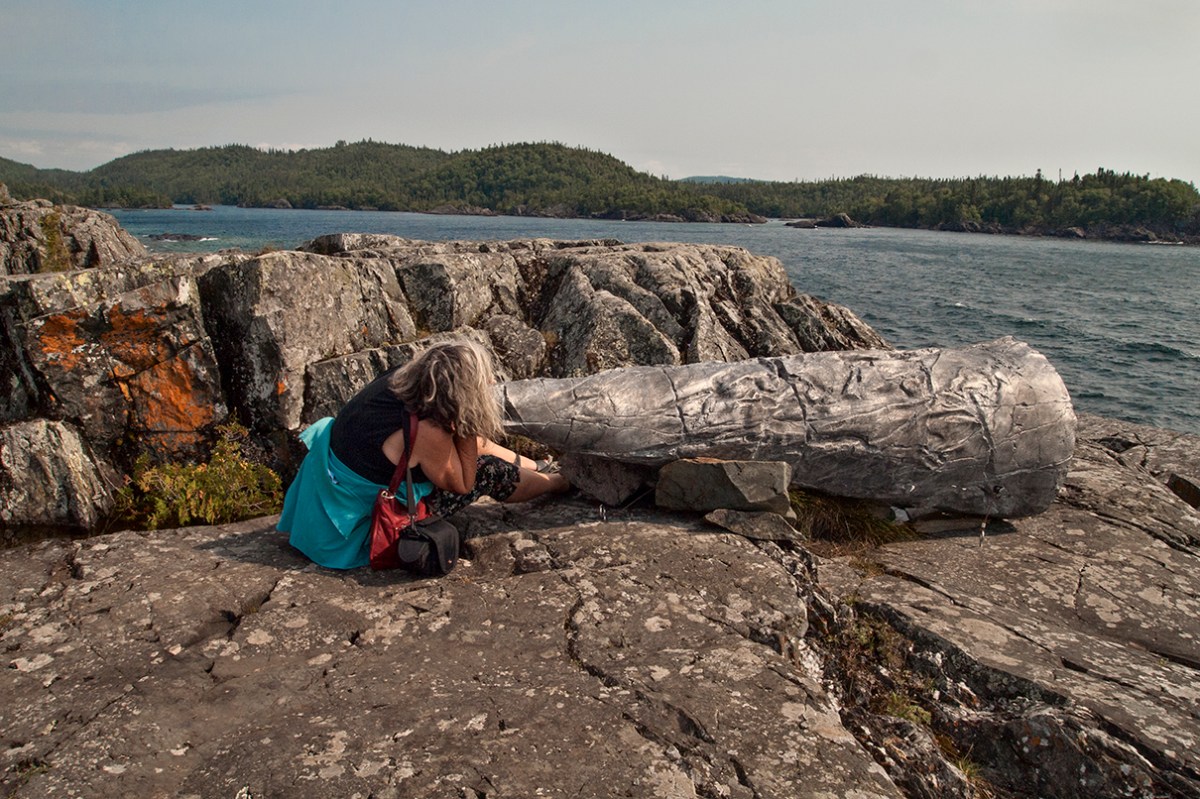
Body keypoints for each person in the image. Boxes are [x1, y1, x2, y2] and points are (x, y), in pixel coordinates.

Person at [278, 339, 569, 569]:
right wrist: (469, 423)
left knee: (466, 437)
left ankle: (540, 467)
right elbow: (463, 483)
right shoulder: (427, 431)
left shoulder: (402, 380)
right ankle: (561, 482)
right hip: (354, 524)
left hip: (327, 488)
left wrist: (465, 423)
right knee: (488, 471)